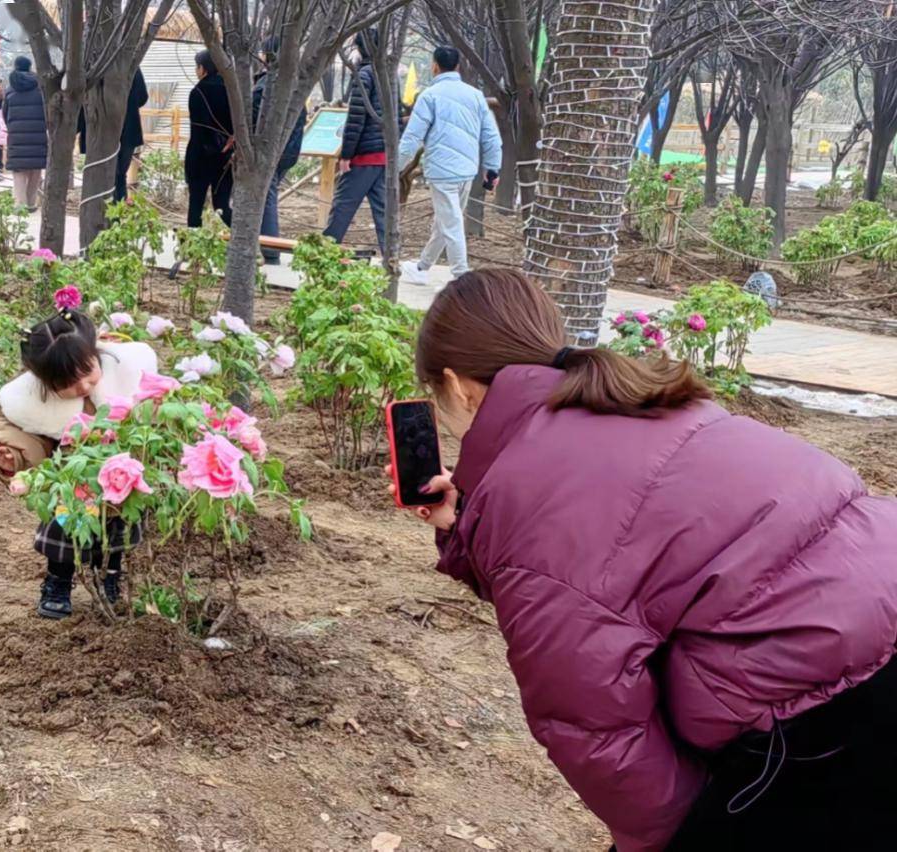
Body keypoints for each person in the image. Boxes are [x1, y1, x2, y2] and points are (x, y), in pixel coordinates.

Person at [393, 267, 897, 851]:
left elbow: (597, 726)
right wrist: (467, 532)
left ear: (456, 386)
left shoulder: (527, 487)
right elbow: (599, 586)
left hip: (838, 702)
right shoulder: (625, 399)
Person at [0, 310, 158, 619]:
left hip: (122, 483)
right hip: (73, 487)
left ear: (95, 351)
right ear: (45, 383)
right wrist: (13, 454)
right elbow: (23, 434)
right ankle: (58, 583)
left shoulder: (127, 376)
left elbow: (154, 424)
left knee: (116, 538)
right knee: (64, 538)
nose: (82, 385)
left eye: (87, 371)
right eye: (67, 382)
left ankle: (109, 581)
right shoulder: (33, 404)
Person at [398, 47, 501, 283]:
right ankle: (422, 268)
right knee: (445, 221)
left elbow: (412, 137)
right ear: (457, 67)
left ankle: (460, 276)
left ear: (435, 66)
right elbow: (491, 136)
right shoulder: (475, 95)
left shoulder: (429, 96)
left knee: (451, 223)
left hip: (442, 170)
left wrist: (395, 168)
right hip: (467, 170)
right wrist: (492, 167)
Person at [322, 29, 397, 257]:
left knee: (342, 206)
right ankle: (391, 258)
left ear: (360, 48)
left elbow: (356, 118)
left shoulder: (363, 75)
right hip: (383, 153)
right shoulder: (388, 75)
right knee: (384, 212)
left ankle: (323, 255)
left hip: (364, 154)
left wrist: (346, 155)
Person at [253, 37, 307, 265]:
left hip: (271, 152)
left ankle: (271, 251)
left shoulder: (268, 85)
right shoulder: (295, 83)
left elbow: (254, 117)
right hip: (288, 151)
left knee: (266, 198)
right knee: (264, 197)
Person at [76, 68, 148, 203]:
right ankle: (117, 218)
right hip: (128, 129)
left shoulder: (93, 66)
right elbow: (143, 97)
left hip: (97, 131)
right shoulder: (131, 66)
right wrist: (128, 105)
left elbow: (80, 99)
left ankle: (104, 216)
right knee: (120, 176)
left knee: (102, 177)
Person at [185, 50, 233, 228]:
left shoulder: (198, 92)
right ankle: (238, 237)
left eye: (197, 67)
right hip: (226, 155)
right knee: (221, 205)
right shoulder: (231, 90)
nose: (196, 71)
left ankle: (191, 244)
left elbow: (199, 130)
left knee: (195, 205)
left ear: (203, 68)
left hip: (201, 155)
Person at [3, 56, 48, 210]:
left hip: (16, 136)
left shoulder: (9, 90)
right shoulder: (41, 88)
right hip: (38, 135)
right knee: (36, 170)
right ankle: (31, 203)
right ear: (30, 67)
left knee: (19, 172)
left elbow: (5, 114)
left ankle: (19, 205)